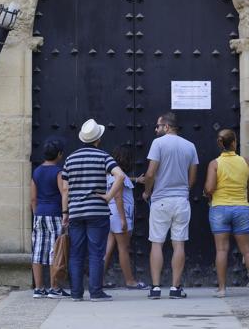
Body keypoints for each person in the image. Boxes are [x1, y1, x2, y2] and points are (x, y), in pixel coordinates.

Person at [203, 129, 249, 298]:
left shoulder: (215, 164)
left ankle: (221, 289)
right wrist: (248, 206)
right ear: (234, 142)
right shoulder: (246, 162)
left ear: (220, 144)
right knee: (248, 250)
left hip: (219, 209)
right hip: (241, 208)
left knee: (221, 250)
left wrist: (206, 192)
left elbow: (210, 188)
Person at [62, 119, 125, 302]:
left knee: (76, 253)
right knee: (96, 253)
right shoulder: (103, 157)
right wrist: (108, 197)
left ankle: (76, 293)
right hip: (97, 211)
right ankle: (96, 293)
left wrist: (65, 213)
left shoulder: (70, 158)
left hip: (75, 212)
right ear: (98, 138)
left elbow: (65, 190)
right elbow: (120, 176)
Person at [142, 112, 198, 299]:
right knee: (179, 244)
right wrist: (183, 191)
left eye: (158, 126)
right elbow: (192, 178)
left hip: (161, 200)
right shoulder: (190, 146)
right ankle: (175, 288)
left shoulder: (158, 144)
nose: (156, 129)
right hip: (181, 201)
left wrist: (148, 191)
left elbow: (150, 174)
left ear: (167, 127)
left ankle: (155, 288)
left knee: (157, 243)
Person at [103, 145, 148, 290]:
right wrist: (123, 219)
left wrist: (136, 180)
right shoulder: (120, 177)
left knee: (108, 248)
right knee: (123, 248)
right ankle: (130, 281)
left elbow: (124, 181)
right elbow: (118, 197)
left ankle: (98, 280)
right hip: (119, 214)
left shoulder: (115, 174)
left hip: (111, 214)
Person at [30, 139, 70, 299]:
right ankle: (54, 287)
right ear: (59, 154)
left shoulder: (37, 172)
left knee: (38, 251)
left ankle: (39, 288)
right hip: (55, 213)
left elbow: (33, 198)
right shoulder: (58, 172)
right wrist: (65, 213)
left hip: (40, 214)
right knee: (56, 250)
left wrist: (36, 213)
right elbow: (64, 193)